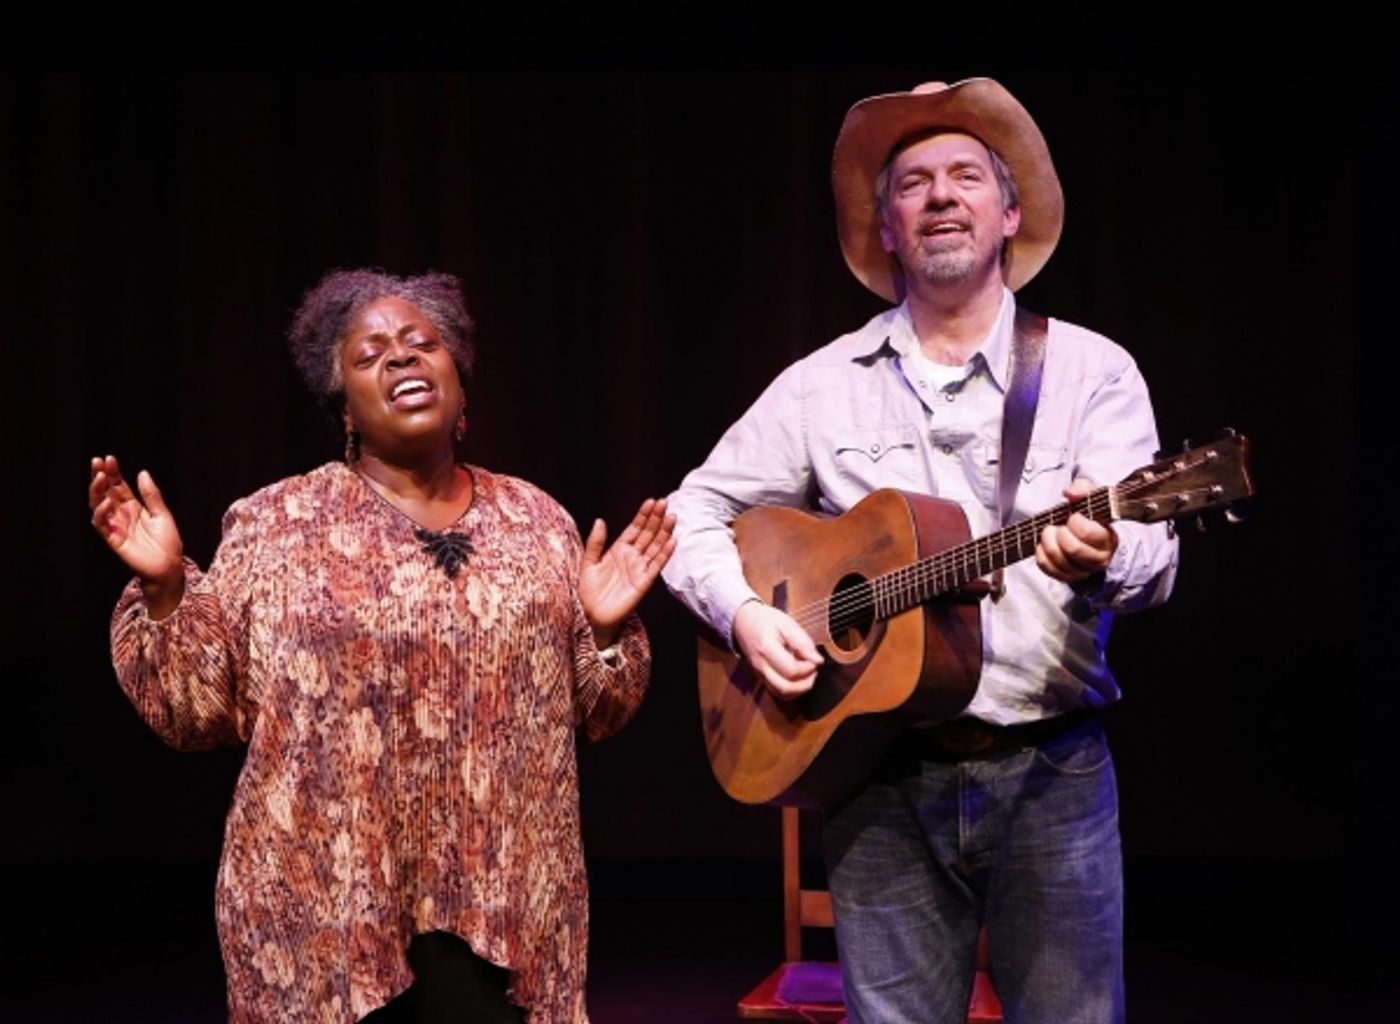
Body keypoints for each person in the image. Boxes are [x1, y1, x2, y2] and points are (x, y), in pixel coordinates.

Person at [661, 78, 1178, 1023]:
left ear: (1009, 213)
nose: (941, 195)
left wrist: (1106, 553)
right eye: (913, 183)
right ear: (886, 228)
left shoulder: (1091, 371)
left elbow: (1155, 551)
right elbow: (692, 514)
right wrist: (745, 613)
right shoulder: (821, 387)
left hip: (1051, 774)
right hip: (877, 777)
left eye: (967, 176)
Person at [89, 269, 675, 1024]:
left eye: (421, 344)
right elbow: (194, 711)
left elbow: (599, 712)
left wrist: (601, 630)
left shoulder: (538, 524)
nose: (401, 359)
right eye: (370, 356)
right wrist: (169, 589)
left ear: (460, 386)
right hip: (322, 916)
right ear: (344, 408)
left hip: (504, 911)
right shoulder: (277, 524)